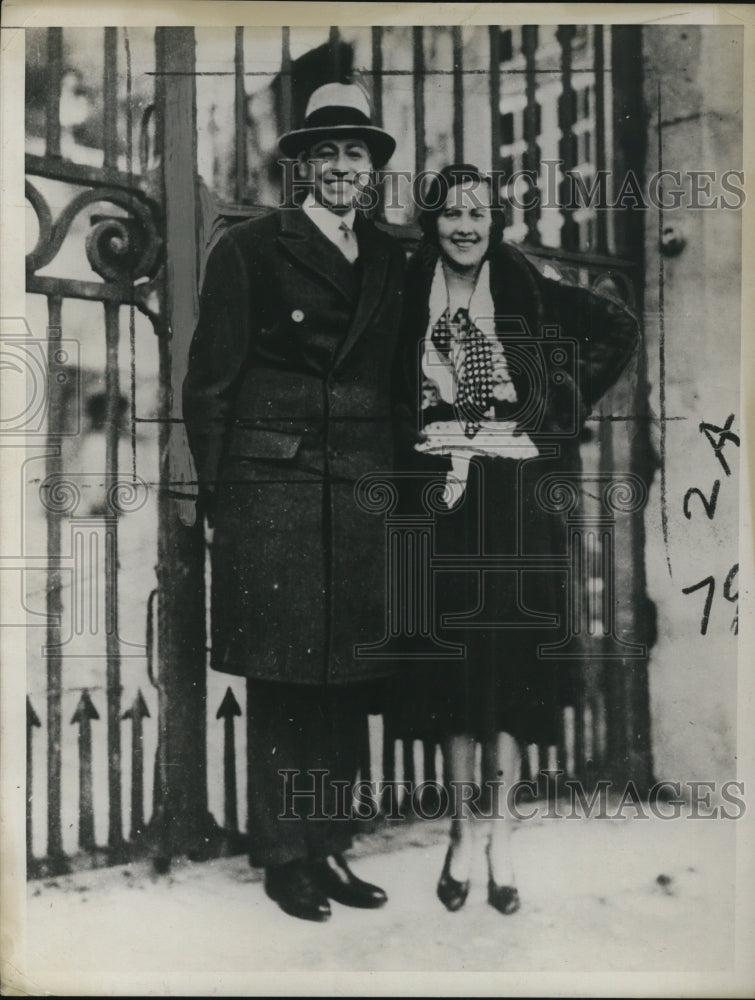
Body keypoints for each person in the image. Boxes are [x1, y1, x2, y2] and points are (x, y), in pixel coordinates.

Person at [182, 83, 405, 922]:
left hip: (359, 488)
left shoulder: (390, 256)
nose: (344, 167)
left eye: (358, 154)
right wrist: (223, 501)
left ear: (371, 170)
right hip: (272, 488)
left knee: (347, 675)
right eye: (328, 153)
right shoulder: (248, 250)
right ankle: (282, 856)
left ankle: (331, 842)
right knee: (284, 677)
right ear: (300, 165)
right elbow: (210, 386)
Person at [392, 164, 640, 914]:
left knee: (510, 672)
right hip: (442, 494)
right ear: (430, 222)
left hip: (519, 495)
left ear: (495, 221)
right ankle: (461, 831)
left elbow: (617, 328)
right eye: (451, 214)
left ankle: (501, 838)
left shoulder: (523, 283)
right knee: (455, 675)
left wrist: (555, 410)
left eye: (478, 213)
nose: (464, 226)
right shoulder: (407, 290)